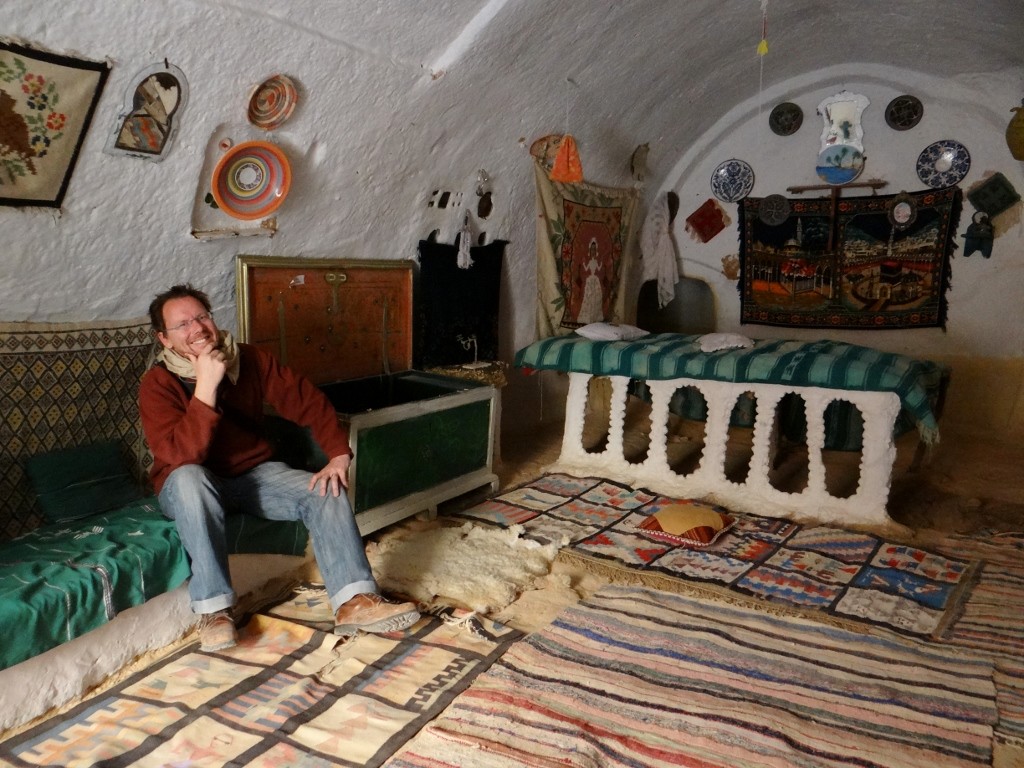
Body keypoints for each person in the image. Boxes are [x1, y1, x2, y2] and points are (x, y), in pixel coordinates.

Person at [139, 284, 419, 651]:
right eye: (183, 325)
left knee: (324, 489)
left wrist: (338, 454)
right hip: (188, 484)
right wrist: (206, 386)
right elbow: (182, 455)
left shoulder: (248, 358)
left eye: (202, 316)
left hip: (250, 475)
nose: (198, 328)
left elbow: (305, 399)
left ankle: (354, 601)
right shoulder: (157, 383)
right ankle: (216, 611)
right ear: (165, 339)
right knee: (191, 478)